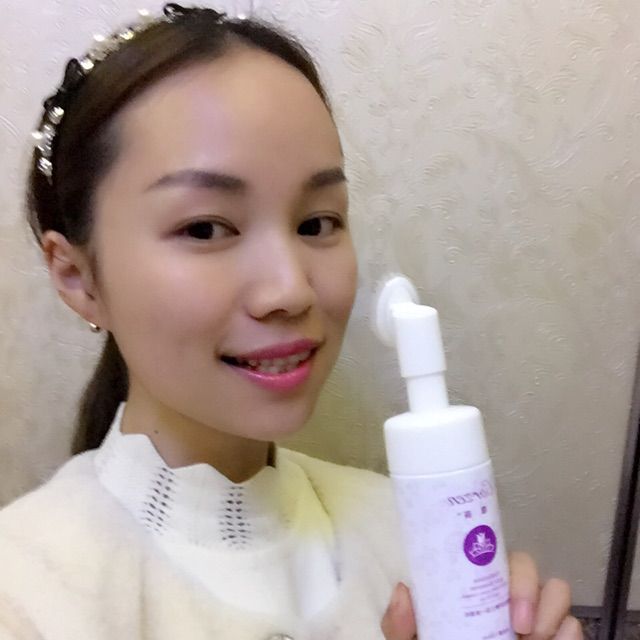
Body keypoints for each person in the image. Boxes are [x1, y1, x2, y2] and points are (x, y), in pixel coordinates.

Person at [0, 3, 583, 639]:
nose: (290, 289)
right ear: (77, 277)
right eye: (206, 228)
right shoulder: (26, 591)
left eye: (316, 223)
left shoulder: (413, 537)